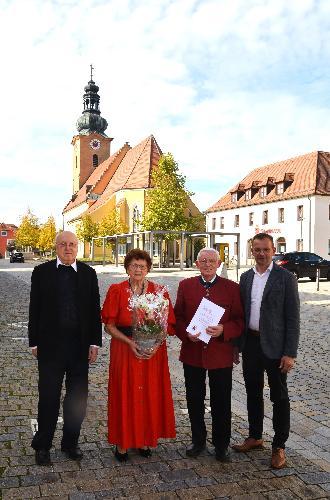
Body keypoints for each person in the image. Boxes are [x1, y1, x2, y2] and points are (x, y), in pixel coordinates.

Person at [28, 231, 102, 466]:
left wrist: (94, 342)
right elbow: (35, 307)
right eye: (63, 244)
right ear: (56, 247)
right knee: (48, 398)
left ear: (77, 247)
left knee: (76, 399)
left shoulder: (89, 274)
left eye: (71, 244)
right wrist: (34, 341)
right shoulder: (42, 272)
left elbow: (94, 311)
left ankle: (70, 443)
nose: (67, 248)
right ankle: (42, 446)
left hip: (79, 348)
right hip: (50, 348)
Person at [233, 233, 300, 469]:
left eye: (265, 249)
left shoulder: (286, 278)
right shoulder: (246, 277)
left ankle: (279, 446)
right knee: (253, 391)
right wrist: (237, 346)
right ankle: (255, 436)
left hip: (276, 346)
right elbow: (241, 314)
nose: (261, 254)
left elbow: (292, 318)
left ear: (273, 251)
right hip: (251, 344)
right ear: (252, 251)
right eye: (257, 249)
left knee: (279, 397)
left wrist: (290, 352)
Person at [102, 249, 176, 461]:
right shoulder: (116, 290)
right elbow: (109, 326)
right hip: (125, 350)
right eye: (134, 265)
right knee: (125, 393)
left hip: (153, 352)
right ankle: (123, 443)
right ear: (127, 267)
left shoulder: (159, 291)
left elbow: (166, 323)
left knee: (148, 394)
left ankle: (145, 439)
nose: (138, 269)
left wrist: (155, 344)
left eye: (142, 266)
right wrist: (130, 342)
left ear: (148, 269)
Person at [174, 248, 244, 462]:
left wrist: (225, 330)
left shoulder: (232, 288)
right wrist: (187, 333)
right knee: (194, 399)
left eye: (211, 261)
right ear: (196, 264)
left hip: (220, 354)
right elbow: (177, 317)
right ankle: (198, 440)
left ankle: (222, 444)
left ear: (219, 263)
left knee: (221, 401)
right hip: (193, 353)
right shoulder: (185, 286)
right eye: (203, 260)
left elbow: (241, 320)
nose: (207, 264)